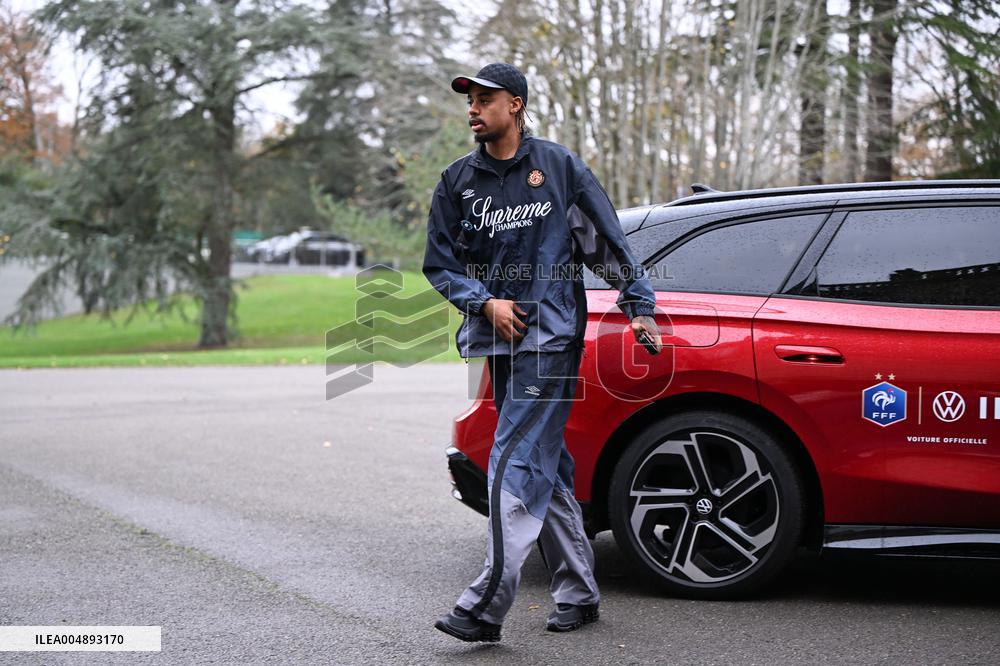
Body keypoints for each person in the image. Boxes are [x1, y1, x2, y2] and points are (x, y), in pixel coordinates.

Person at [422, 62, 662, 643]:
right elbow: (440, 265)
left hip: (551, 340)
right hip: (496, 340)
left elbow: (605, 240)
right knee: (544, 463)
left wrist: (638, 304)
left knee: (511, 460)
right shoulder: (457, 182)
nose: (473, 109)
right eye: (469, 100)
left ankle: (485, 606)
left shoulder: (557, 168)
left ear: (516, 105)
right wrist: (484, 303)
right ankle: (578, 592)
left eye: (485, 98)